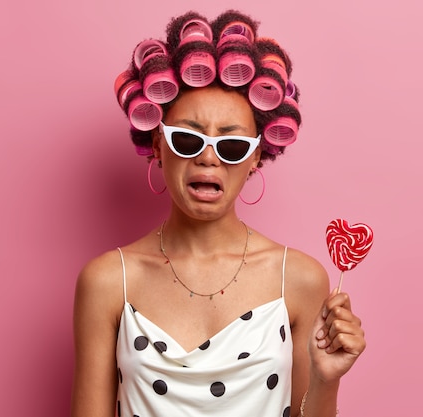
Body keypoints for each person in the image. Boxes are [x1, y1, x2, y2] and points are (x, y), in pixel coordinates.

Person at [71, 9, 366, 417]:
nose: (208, 158)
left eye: (231, 146)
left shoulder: (299, 279)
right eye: (188, 139)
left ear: (255, 159)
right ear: (158, 145)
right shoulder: (106, 282)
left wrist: (326, 378)